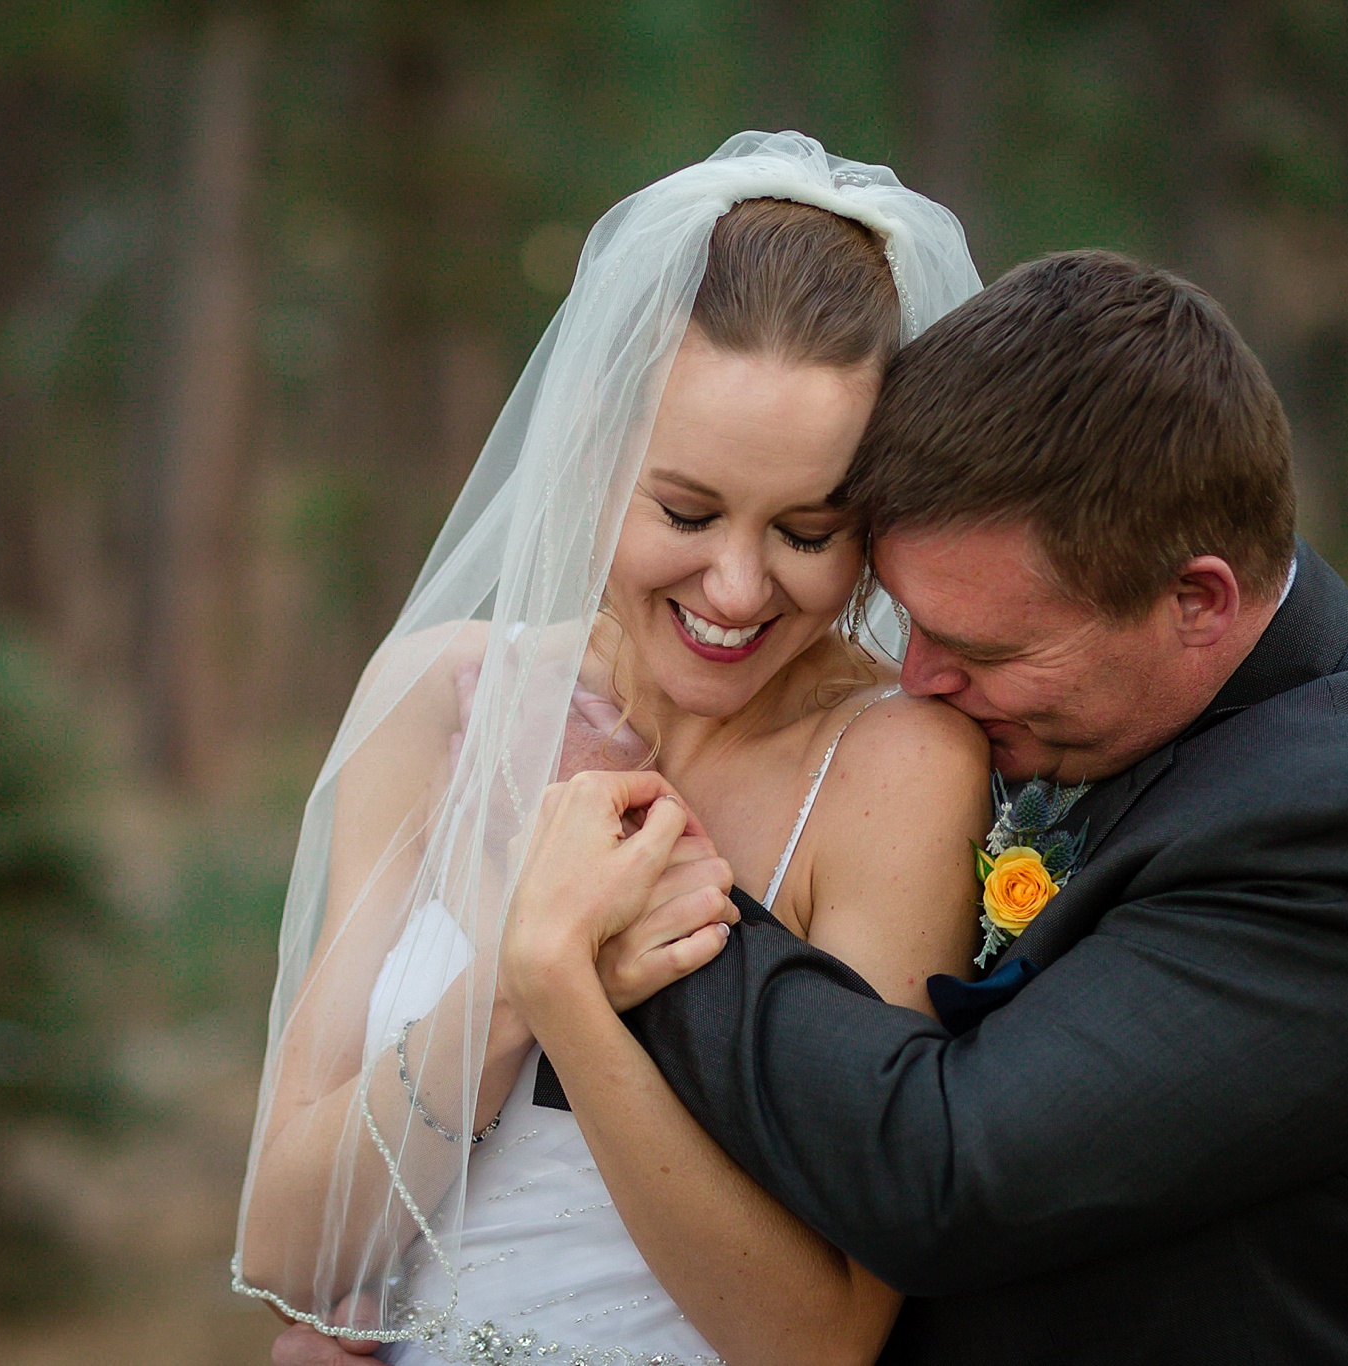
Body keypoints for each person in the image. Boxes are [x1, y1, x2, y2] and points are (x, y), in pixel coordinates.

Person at [503, 249, 1348, 1364]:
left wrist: (651, 894)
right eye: (906, 622)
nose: (914, 680)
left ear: (1194, 599)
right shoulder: (1088, 712)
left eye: (977, 647)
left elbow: (947, 1172)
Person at [237, 133, 990, 1366]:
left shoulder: (896, 772)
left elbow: (822, 1338)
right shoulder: (443, 698)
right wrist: (501, 972)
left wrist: (559, 987)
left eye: (807, 529)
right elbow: (283, 1246)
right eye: (686, 512)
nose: (737, 587)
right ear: (590, 457)